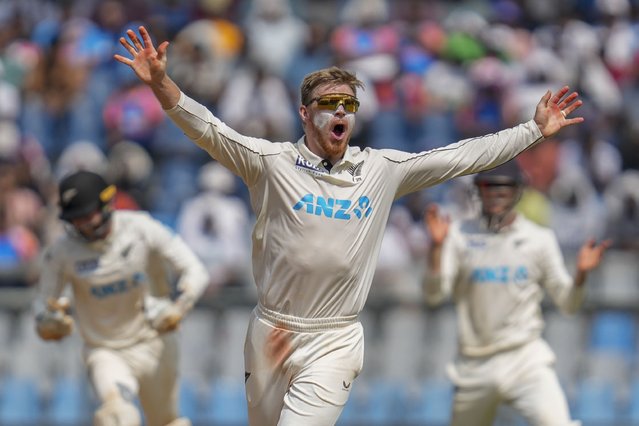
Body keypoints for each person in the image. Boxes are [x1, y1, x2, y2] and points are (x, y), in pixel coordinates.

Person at [114, 25, 584, 426]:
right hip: (271, 330)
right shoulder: (273, 163)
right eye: (329, 103)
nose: (341, 112)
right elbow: (210, 130)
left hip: (335, 336)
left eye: (349, 105)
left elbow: (459, 157)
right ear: (304, 113)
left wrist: (532, 130)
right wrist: (161, 84)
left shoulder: (380, 169)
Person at [422, 160, 610, 426]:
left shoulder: (539, 239)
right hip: (475, 365)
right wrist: (436, 250)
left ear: (518, 191)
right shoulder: (458, 235)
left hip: (525, 359)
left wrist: (580, 275)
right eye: (489, 187)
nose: (497, 194)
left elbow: (568, 304)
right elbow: (434, 295)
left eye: (505, 188)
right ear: (479, 191)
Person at [33, 170, 209, 426]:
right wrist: (47, 321)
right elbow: (43, 302)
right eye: (75, 219)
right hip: (106, 350)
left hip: (155, 344)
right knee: (118, 415)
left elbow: (196, 271)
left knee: (168, 422)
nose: (81, 224)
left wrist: (178, 308)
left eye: (86, 215)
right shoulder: (62, 252)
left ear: (107, 204)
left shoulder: (141, 228)